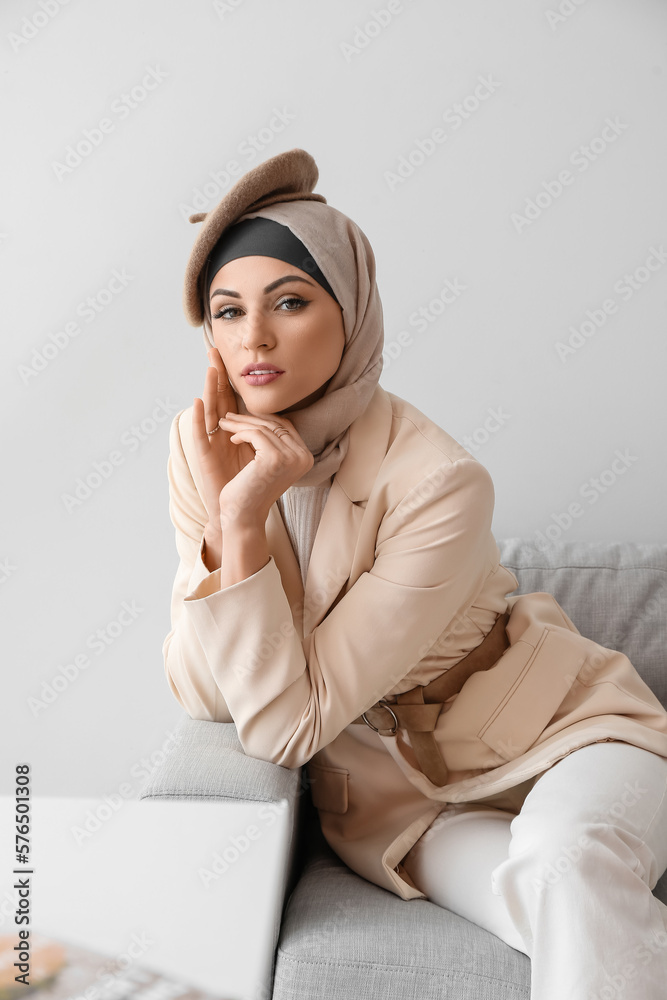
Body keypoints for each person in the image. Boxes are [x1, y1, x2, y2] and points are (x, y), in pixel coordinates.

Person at [163, 148, 667, 999]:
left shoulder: (438, 481)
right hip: (409, 804)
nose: (253, 338)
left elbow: (284, 724)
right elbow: (209, 695)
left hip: (567, 736)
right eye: (226, 311)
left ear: (351, 312)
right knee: (562, 901)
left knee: (572, 860)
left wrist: (238, 527)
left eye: (289, 302)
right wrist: (237, 521)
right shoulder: (202, 446)